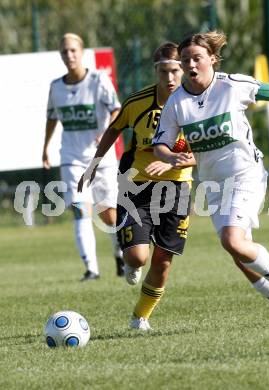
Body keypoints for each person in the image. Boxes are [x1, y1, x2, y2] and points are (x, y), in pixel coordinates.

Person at [153, 31, 269, 326]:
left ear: (212, 59)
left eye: (197, 58)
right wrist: (170, 157)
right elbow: (161, 145)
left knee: (232, 240)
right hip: (213, 185)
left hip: (245, 174)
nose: (191, 65)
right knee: (237, 250)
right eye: (186, 60)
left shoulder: (231, 86)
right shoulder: (176, 103)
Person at [78, 42, 195, 330]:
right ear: (156, 71)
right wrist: (93, 165)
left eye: (175, 71)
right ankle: (130, 259)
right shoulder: (137, 102)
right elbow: (114, 129)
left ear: (184, 70)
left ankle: (140, 317)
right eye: (164, 71)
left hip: (177, 189)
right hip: (137, 185)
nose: (170, 78)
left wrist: (171, 164)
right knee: (138, 255)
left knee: (163, 261)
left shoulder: (199, 105)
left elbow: (201, 152)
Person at [42, 33, 124, 281]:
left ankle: (119, 253)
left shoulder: (99, 80)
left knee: (108, 212)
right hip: (72, 156)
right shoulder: (56, 87)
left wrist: (106, 133)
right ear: (60, 55)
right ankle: (91, 269)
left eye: (73, 50)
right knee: (79, 208)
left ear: (82, 52)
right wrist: (45, 148)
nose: (69, 55)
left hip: (102, 157)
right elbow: (52, 117)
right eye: (65, 51)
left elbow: (116, 110)